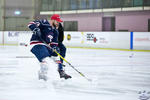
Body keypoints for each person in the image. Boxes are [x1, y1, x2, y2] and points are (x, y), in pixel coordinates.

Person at [28, 14, 71, 81]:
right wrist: (36, 29)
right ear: (52, 20)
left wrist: (55, 48)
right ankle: (42, 78)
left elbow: (54, 43)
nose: (58, 24)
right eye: (57, 22)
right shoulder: (44, 22)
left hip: (46, 46)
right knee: (46, 61)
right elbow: (31, 23)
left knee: (56, 56)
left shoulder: (55, 31)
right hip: (37, 44)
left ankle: (61, 71)